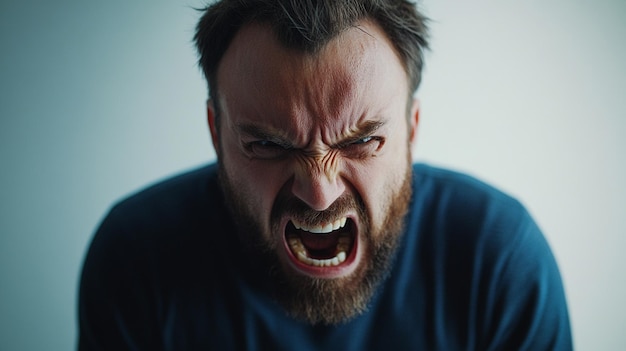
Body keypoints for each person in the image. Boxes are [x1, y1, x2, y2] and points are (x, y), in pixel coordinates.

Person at [78, 0, 572, 349]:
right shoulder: (137, 259)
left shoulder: (499, 261)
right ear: (215, 131)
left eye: (361, 141)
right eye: (268, 144)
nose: (319, 193)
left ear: (411, 130)